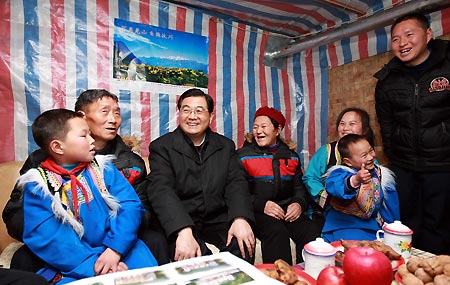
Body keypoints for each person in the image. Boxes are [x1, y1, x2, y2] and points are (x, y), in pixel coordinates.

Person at [2, 89, 170, 271]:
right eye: (105, 112)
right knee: (25, 260)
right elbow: (23, 218)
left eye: (117, 113)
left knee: (154, 243)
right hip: (67, 245)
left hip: (114, 239)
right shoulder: (39, 173)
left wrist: (114, 246)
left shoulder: (114, 165)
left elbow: (135, 207)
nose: (113, 119)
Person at [18, 109, 158, 285]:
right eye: (84, 136)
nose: (92, 141)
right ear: (57, 147)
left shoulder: (103, 169)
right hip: (77, 263)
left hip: (121, 248)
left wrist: (115, 249)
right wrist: (94, 266)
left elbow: (130, 206)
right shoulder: (40, 186)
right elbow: (49, 237)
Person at [145, 88, 255, 262]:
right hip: (182, 218)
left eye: (199, 110)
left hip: (216, 217)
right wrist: (183, 229)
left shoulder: (225, 146)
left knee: (244, 244)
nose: (192, 116)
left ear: (210, 116)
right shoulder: (162, 147)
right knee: (197, 258)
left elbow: (236, 183)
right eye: (186, 110)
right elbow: (161, 190)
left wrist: (240, 218)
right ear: (179, 114)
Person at [374, 13, 450, 255]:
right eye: (395, 39)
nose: (402, 43)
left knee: (440, 224)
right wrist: (394, 155)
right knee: (405, 223)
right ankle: (409, 273)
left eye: (409, 35)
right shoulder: (387, 80)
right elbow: (385, 122)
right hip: (404, 165)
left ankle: (435, 277)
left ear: (428, 35)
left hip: (443, 164)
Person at [237, 107, 321, 265]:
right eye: (255, 127)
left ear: (277, 130)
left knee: (310, 230)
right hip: (258, 212)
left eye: (264, 126)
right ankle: (281, 280)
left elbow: (299, 188)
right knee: (276, 232)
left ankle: (308, 278)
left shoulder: (291, 156)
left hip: (286, 210)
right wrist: (262, 205)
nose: (258, 131)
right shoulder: (243, 156)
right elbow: (238, 192)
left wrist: (298, 203)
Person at [302, 108, 375, 227]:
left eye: (352, 124)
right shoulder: (327, 152)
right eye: (342, 124)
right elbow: (310, 178)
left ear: (365, 130)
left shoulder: (369, 157)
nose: (345, 128)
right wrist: (327, 200)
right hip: (326, 214)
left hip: (361, 218)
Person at [323, 134, 400, 242]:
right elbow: (335, 187)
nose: (370, 157)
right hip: (344, 227)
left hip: (373, 228)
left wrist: (393, 231)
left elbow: (391, 208)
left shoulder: (380, 175)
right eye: (364, 155)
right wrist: (355, 180)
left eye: (371, 151)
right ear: (348, 161)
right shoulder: (339, 174)